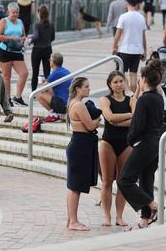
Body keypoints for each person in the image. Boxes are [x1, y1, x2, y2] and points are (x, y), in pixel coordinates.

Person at [117, 64, 163, 230]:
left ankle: (152, 205)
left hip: (145, 143)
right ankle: (144, 219)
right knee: (146, 180)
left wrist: (130, 140)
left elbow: (137, 125)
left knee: (124, 180)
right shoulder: (158, 97)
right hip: (156, 143)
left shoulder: (144, 99)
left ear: (143, 80)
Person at [98, 71, 135, 227]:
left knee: (122, 181)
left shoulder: (131, 100)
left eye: (121, 81)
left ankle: (119, 216)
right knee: (107, 181)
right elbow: (110, 117)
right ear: (109, 84)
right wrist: (129, 115)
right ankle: (107, 216)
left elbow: (137, 119)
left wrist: (119, 121)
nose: (119, 84)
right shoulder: (104, 99)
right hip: (108, 143)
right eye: (115, 82)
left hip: (126, 144)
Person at [65, 77, 100, 231]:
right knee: (76, 186)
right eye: (86, 86)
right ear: (78, 89)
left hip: (81, 144)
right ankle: (73, 221)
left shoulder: (73, 102)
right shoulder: (78, 105)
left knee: (75, 185)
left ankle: (70, 220)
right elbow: (91, 125)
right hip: (80, 145)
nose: (88, 89)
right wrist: (99, 118)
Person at [0, 3, 29, 106]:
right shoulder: (4, 21)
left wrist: (24, 39)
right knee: (7, 76)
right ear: (8, 12)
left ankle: (18, 97)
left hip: (17, 52)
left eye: (17, 12)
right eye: (13, 12)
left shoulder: (20, 22)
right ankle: (7, 99)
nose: (15, 14)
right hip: (5, 51)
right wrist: (10, 38)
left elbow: (23, 34)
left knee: (24, 73)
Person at [112, 0, 147, 94]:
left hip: (125, 49)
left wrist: (114, 47)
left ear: (127, 4)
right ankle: (133, 96)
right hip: (137, 51)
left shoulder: (123, 17)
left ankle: (127, 93)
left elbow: (118, 34)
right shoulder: (141, 17)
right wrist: (145, 51)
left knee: (121, 74)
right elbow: (143, 36)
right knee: (133, 75)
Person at [35, 52, 71, 122]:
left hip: (63, 105)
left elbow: (42, 88)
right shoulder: (65, 71)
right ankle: (54, 113)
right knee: (48, 88)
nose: (49, 61)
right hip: (67, 103)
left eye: (50, 59)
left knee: (37, 93)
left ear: (53, 62)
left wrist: (41, 83)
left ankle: (53, 114)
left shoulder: (55, 73)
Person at [30, 5, 56, 91]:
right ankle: (47, 91)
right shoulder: (51, 24)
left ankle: (33, 92)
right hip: (47, 49)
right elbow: (53, 38)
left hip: (37, 50)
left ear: (39, 14)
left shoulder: (36, 25)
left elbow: (36, 36)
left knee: (35, 72)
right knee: (47, 73)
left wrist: (31, 40)